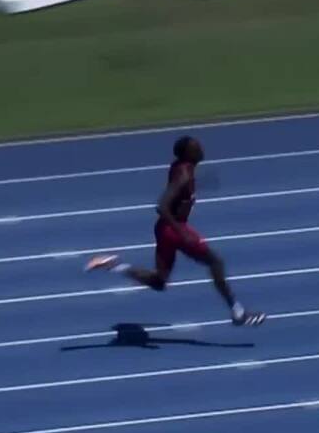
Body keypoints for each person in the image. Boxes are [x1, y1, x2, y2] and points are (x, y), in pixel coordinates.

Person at [86, 136, 266, 327]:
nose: (201, 148)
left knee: (159, 281)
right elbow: (162, 205)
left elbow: (178, 192)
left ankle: (114, 265)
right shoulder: (184, 175)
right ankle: (238, 313)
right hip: (174, 230)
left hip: (164, 230)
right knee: (216, 262)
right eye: (196, 147)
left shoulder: (182, 168)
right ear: (187, 154)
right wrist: (183, 232)